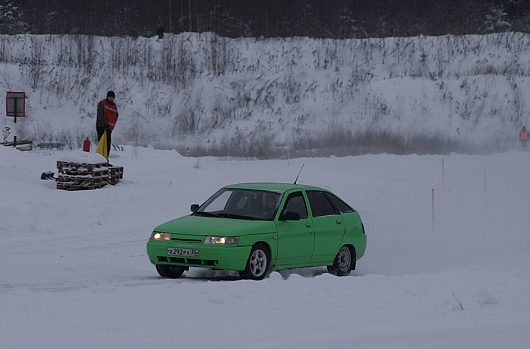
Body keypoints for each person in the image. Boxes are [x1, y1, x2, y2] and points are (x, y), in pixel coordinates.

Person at [96, 91, 119, 157]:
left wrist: (112, 126)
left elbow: (116, 115)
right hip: (101, 127)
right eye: (110, 97)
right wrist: (105, 124)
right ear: (107, 97)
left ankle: (106, 159)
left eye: (112, 97)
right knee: (102, 145)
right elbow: (100, 115)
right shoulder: (102, 103)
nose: (111, 98)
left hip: (109, 129)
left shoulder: (114, 106)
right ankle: (99, 159)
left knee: (108, 145)